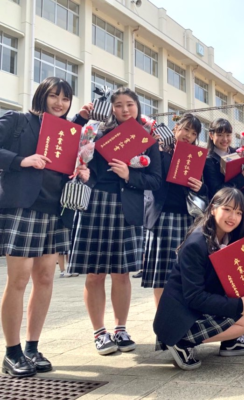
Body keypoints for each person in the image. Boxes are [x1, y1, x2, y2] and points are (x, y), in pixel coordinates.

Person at [0, 77, 90, 377]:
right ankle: (11, 352)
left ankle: (32, 347)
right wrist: (21, 160)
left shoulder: (70, 133)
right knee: (18, 279)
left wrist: (81, 171)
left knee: (46, 279)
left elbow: (68, 167)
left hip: (56, 210)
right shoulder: (18, 120)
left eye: (65, 99)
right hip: (24, 208)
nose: (60, 103)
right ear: (42, 95)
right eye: (54, 96)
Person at [68, 87, 162, 356]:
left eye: (130, 104)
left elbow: (155, 179)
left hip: (127, 207)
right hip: (94, 204)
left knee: (122, 273)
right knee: (95, 273)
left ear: (137, 107)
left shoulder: (148, 138)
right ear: (111, 108)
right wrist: (80, 119)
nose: (124, 109)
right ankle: (100, 332)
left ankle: (120, 328)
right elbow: (72, 150)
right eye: (118, 105)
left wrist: (129, 176)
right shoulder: (96, 131)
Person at [154, 188, 244, 370]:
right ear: (213, 208)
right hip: (180, 317)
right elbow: (194, 296)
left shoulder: (231, 238)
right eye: (227, 209)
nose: (233, 217)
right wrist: (237, 306)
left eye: (238, 212)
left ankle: (231, 341)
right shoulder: (196, 244)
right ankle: (181, 342)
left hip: (198, 309)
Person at [142, 113, 207, 309]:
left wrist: (200, 187)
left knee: (184, 272)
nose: (188, 135)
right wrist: (161, 148)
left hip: (187, 219)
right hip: (162, 217)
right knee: (161, 276)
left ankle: (181, 317)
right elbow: (152, 177)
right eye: (185, 129)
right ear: (175, 128)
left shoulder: (196, 157)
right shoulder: (159, 148)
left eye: (193, 133)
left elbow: (205, 191)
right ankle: (161, 322)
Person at [203, 118, 244, 222]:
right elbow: (217, 191)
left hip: (243, 206)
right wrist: (243, 176)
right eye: (220, 135)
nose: (225, 139)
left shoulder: (238, 152)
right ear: (211, 135)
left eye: (228, 135)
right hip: (223, 211)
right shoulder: (208, 160)